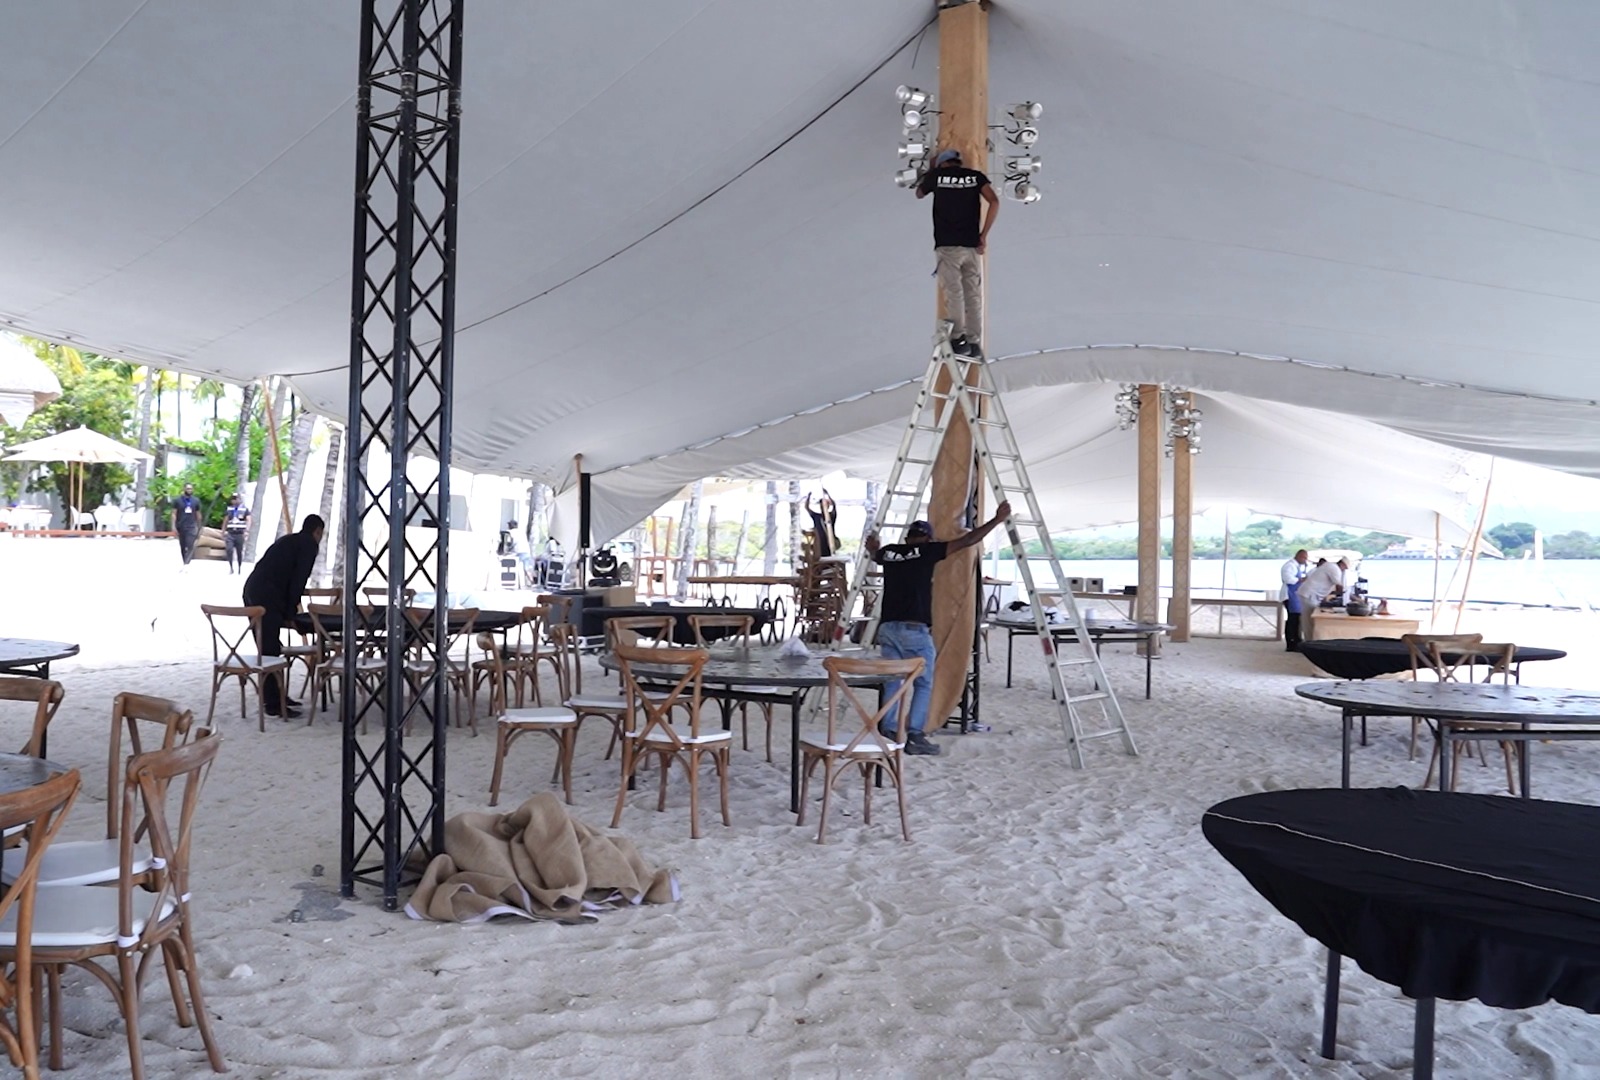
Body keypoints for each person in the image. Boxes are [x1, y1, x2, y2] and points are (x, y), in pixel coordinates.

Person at [865, 502, 1011, 755]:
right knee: (923, 683)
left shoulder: (890, 552)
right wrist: (997, 520)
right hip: (914, 630)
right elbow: (968, 540)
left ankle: (888, 730)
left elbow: (875, 554)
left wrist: (873, 548)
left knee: (894, 681)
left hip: (887, 629)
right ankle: (915, 735)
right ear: (928, 538)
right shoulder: (927, 551)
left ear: (907, 538)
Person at [914, 148, 999, 359]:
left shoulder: (937, 176)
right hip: (971, 245)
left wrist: (930, 170)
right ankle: (974, 341)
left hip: (947, 246)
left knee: (954, 293)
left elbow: (919, 193)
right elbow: (994, 202)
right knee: (973, 294)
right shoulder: (975, 177)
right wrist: (983, 235)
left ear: (943, 163)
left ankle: (958, 339)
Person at [242, 515, 325, 719]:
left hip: (253, 589)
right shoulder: (309, 545)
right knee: (270, 650)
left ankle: (276, 695)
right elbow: (298, 581)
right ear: (318, 531)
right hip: (267, 595)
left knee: (268, 646)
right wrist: (290, 614)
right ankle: (273, 703)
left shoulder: (289, 540)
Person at [1295, 557, 1349, 645]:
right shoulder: (1334, 568)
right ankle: (1309, 644)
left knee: (1310, 620)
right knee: (1309, 621)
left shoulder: (1330, 566)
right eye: (1345, 568)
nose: (1344, 570)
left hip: (1310, 594)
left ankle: (1310, 642)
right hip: (1309, 595)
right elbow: (1340, 587)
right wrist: (1350, 596)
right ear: (1342, 564)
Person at [1279, 549, 1309, 652]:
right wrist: (1301, 580)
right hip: (1289, 595)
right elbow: (1288, 579)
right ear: (1299, 556)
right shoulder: (1289, 566)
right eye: (1304, 558)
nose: (1305, 560)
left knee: (1296, 620)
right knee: (1292, 620)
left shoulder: (1297, 566)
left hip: (1295, 596)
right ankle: (1291, 643)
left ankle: (1297, 640)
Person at [172, 482, 201, 568]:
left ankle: (187, 564)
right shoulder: (177, 500)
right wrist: (173, 526)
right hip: (181, 526)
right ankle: (184, 561)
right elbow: (174, 513)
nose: (189, 490)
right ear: (184, 489)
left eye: (191, 489)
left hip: (191, 526)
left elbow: (198, 514)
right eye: (188, 489)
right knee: (183, 546)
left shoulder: (196, 501)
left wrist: (199, 526)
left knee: (190, 545)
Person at [805, 490, 839, 558]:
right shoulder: (816, 517)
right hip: (819, 546)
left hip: (829, 544)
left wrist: (827, 494)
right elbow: (807, 508)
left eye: (825, 505)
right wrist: (808, 497)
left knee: (829, 559)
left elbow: (834, 505)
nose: (823, 507)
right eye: (821, 505)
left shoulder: (831, 516)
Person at [223, 493, 250, 574]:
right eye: (233, 499)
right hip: (231, 532)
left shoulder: (244, 509)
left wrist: (246, 531)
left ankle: (239, 567)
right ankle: (231, 567)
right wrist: (223, 530)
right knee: (229, 549)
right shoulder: (229, 509)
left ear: (239, 499)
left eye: (236, 499)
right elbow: (226, 520)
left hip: (239, 533)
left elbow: (248, 520)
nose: (234, 500)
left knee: (239, 551)